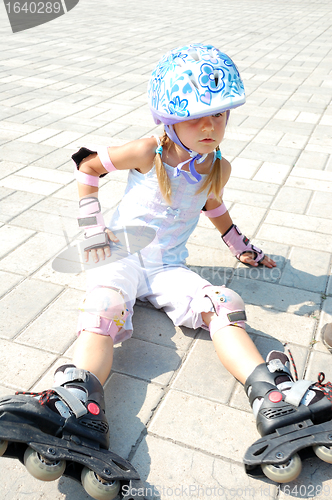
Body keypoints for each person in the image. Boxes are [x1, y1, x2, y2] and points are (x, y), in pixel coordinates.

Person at [1, 44, 330, 492]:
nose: (212, 126)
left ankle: (270, 396)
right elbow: (87, 167)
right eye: (198, 116)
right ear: (171, 117)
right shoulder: (147, 151)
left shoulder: (217, 165)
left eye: (221, 115)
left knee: (224, 302)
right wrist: (92, 230)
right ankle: (78, 401)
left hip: (166, 268)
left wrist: (243, 248)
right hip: (119, 255)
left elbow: (214, 207)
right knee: (104, 304)